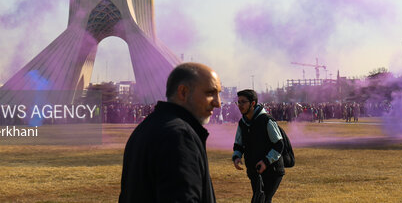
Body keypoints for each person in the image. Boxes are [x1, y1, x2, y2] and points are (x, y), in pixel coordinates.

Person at [119, 62, 221, 203]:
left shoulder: (145, 128)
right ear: (183, 92)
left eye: (218, 94)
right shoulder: (179, 136)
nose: (218, 103)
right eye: (210, 93)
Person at [232, 89, 285, 203]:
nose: (239, 105)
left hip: (273, 169)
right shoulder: (243, 123)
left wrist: (266, 161)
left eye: (243, 102)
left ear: (253, 103)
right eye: (238, 102)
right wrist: (236, 156)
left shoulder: (266, 120)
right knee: (259, 199)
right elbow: (239, 143)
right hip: (254, 169)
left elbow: (279, 145)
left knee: (262, 200)